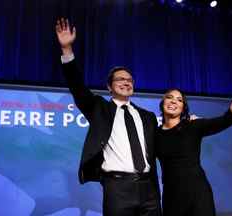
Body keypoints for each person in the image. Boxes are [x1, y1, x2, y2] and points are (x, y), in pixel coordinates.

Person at [55, 18, 161, 216]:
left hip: (149, 190)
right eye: (120, 79)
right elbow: (77, 87)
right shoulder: (99, 108)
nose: (126, 82)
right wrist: (67, 50)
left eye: (129, 80)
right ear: (109, 87)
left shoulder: (147, 117)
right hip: (117, 188)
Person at [156, 74, 232, 216]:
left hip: (197, 194)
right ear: (162, 103)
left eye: (179, 100)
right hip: (171, 197)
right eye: (169, 97)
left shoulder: (193, 126)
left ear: (183, 108)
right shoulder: (155, 133)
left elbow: (228, 119)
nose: (174, 101)